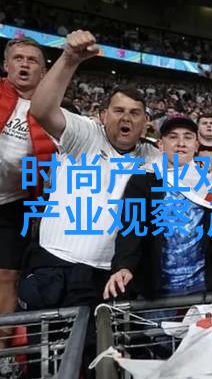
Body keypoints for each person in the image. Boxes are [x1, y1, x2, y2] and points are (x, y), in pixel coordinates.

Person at [18, 30, 161, 309]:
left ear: (146, 123)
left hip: (108, 274)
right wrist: (69, 59)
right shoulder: (85, 134)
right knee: (44, 335)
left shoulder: (153, 157)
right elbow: (41, 110)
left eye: (135, 113)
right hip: (55, 263)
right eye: (119, 111)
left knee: (97, 338)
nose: (126, 118)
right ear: (103, 115)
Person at [103, 117, 212, 300]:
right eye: (173, 137)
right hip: (156, 290)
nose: (181, 143)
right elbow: (132, 227)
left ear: (196, 145)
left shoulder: (210, 181)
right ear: (161, 144)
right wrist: (124, 266)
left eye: (188, 137)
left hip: (207, 287)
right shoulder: (144, 179)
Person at [0, 37, 55, 346]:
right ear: (6, 65)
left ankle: (2, 353)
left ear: (44, 72)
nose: (24, 64)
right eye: (18, 58)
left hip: (15, 204)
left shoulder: (52, 112)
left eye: (32, 60)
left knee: (7, 276)